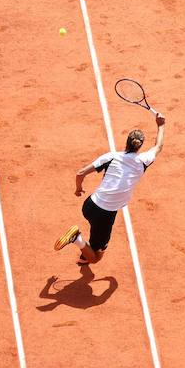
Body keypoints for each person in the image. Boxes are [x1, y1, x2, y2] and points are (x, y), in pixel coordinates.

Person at [54, 111, 167, 265]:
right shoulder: (143, 160)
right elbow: (158, 146)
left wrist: (78, 189)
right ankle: (77, 239)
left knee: (95, 232)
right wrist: (161, 126)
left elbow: (80, 173)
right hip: (105, 215)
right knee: (96, 259)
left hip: (89, 206)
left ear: (126, 143)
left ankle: (86, 251)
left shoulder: (111, 156)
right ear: (139, 146)